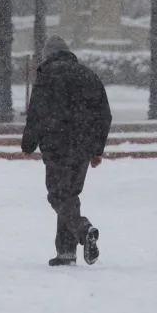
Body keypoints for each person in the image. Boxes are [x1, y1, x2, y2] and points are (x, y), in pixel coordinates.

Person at [21, 35, 112, 266]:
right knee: (70, 195)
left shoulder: (47, 76)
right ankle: (66, 252)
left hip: (57, 145)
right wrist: (97, 149)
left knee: (58, 196)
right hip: (82, 146)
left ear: (48, 55)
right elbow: (104, 114)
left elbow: (36, 113)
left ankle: (83, 230)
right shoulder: (88, 75)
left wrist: (28, 144)